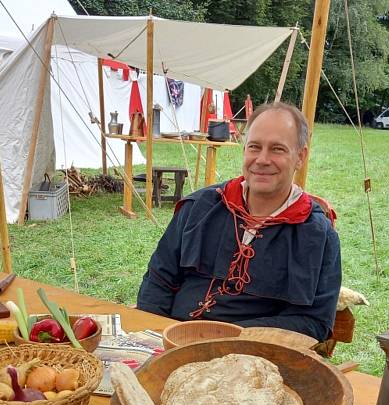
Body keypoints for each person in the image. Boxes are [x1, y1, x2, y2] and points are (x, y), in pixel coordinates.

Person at [136, 102, 342, 341]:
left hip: (252, 357)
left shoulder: (318, 235)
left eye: (277, 149)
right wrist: (155, 336)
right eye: (254, 147)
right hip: (171, 338)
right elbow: (158, 279)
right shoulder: (200, 207)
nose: (262, 159)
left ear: (300, 156)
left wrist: (227, 338)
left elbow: (313, 322)